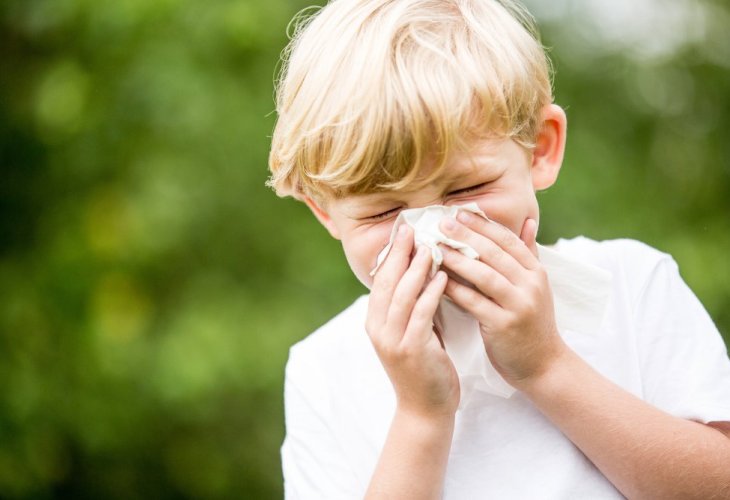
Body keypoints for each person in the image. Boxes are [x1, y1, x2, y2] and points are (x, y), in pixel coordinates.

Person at [267, 0, 730, 498]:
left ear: (541, 150)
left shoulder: (629, 284)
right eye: (383, 212)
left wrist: (547, 365)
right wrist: (421, 414)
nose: (434, 233)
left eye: (467, 190)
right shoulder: (324, 368)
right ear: (326, 212)